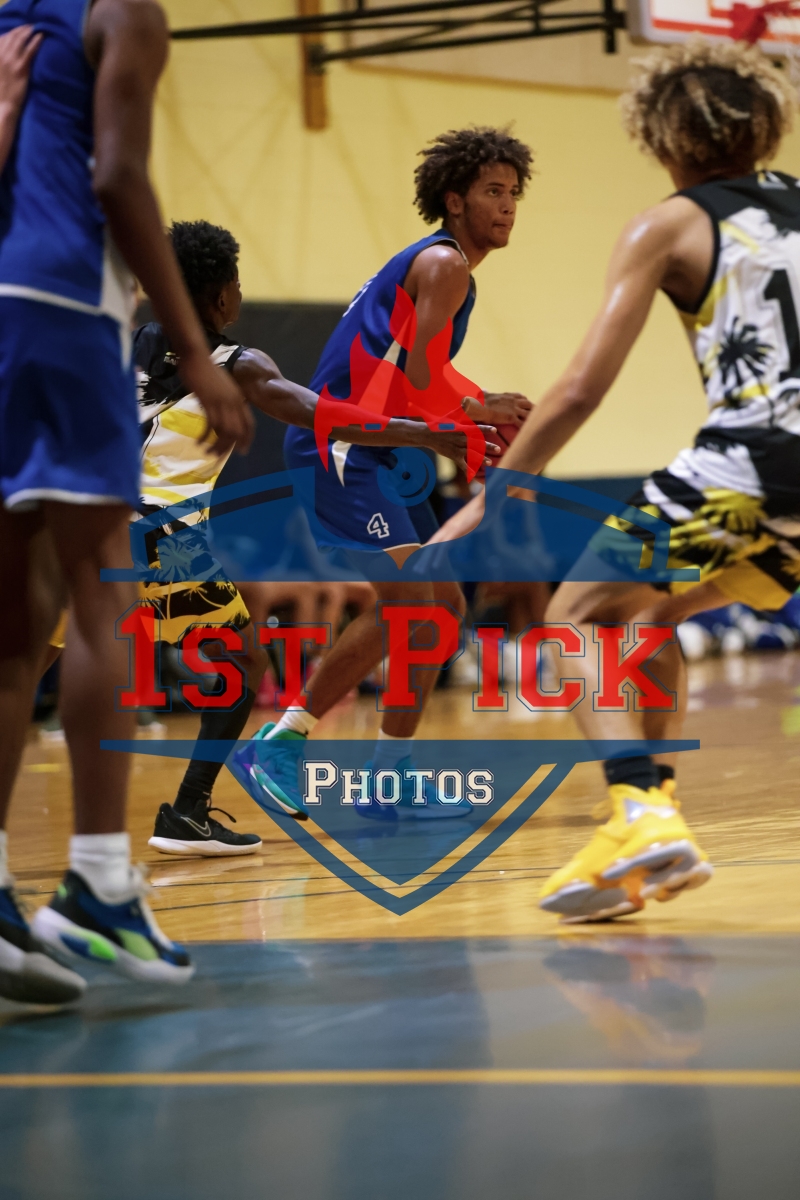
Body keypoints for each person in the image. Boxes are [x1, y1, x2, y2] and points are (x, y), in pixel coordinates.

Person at [433, 41, 799, 919]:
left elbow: (580, 389)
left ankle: (636, 809)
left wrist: (496, 492)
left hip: (752, 460)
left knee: (572, 621)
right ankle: (652, 824)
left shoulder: (668, 224)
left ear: (661, 137)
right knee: (649, 616)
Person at [0, 0, 255, 1005]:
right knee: (99, 602)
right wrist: (196, 348)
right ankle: (101, 883)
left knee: (15, 623)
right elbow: (118, 176)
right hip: (66, 308)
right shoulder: (123, 12)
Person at [128, 220, 489, 854]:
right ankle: (197, 804)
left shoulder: (139, 343)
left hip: (90, 522)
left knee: (39, 656)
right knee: (245, 661)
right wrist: (421, 433)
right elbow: (323, 415)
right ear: (224, 296)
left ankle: (376, 774)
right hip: (161, 532)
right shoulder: (239, 365)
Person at [248, 126, 533, 816]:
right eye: (493, 191)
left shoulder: (441, 267)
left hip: (377, 448)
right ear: (454, 200)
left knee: (442, 610)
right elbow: (419, 380)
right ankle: (281, 743)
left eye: (514, 193)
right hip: (341, 447)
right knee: (412, 608)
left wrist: (477, 410)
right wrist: (477, 413)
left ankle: (390, 772)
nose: (507, 205)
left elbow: (416, 378)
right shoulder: (444, 264)